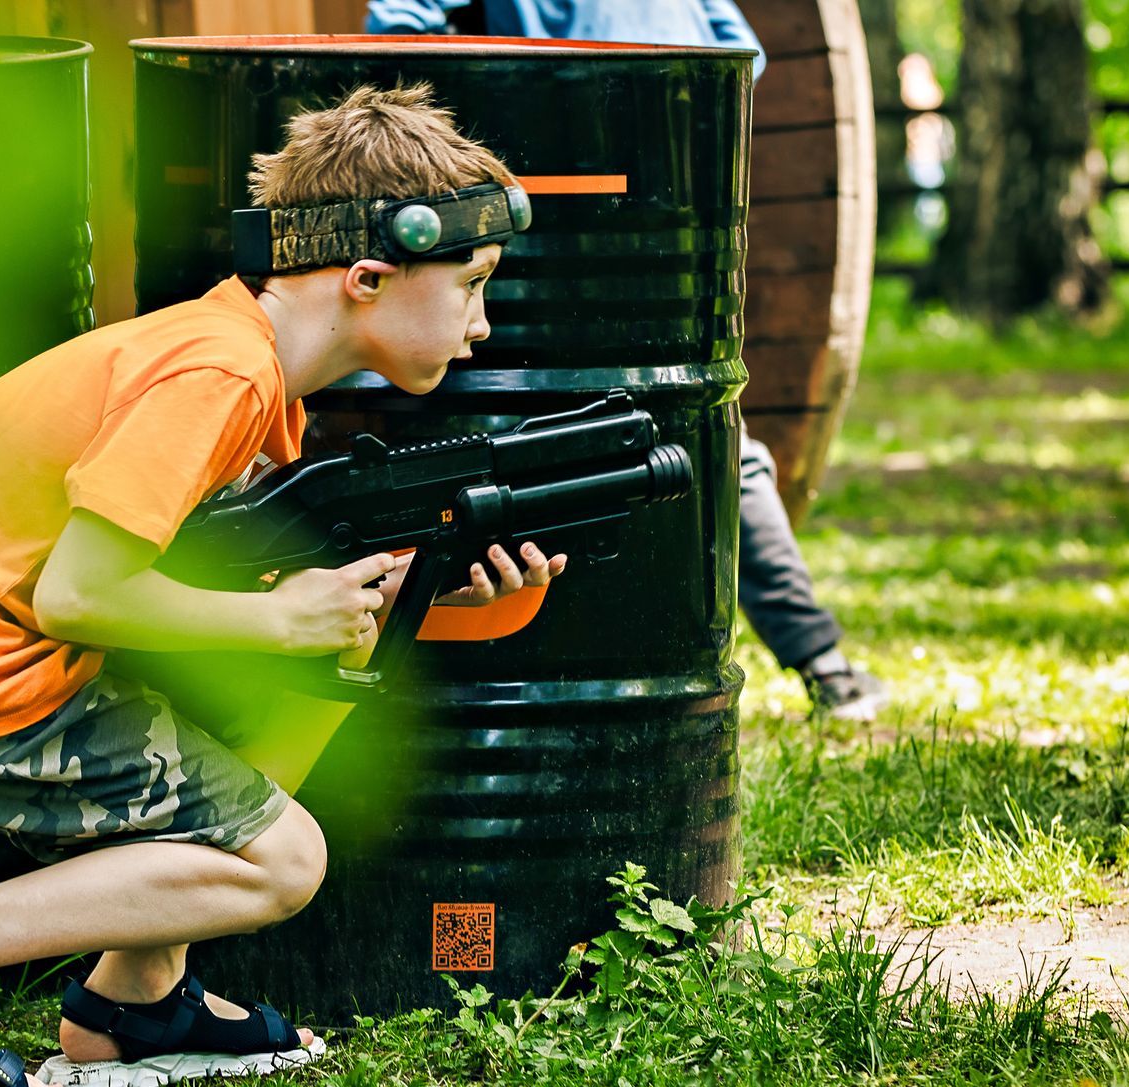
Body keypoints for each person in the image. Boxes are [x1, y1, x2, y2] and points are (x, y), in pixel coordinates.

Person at [0, 85, 566, 1087]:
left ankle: (132, 1002)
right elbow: (81, 590)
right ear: (369, 278)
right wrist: (282, 620)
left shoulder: (240, 369)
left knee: (289, 706)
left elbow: (165, 589)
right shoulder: (219, 373)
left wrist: (425, 598)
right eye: (470, 284)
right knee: (287, 858)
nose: (481, 321)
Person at [367, 0, 888, 721]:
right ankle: (819, 662)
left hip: (558, 209)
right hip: (661, 204)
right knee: (692, 426)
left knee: (669, 430)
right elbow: (740, 62)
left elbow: (396, 39)